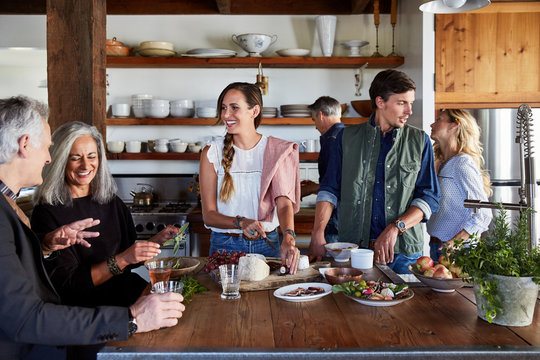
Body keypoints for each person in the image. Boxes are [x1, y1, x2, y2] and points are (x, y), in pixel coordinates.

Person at [0, 96, 184, 360]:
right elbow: (27, 317)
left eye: (91, 156)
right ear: (25, 144)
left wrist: (45, 245)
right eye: (47, 147)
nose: (48, 159)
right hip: (57, 337)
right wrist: (130, 319)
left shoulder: (10, 206)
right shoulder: (23, 212)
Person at [31, 121, 180, 308]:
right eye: (75, 157)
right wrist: (124, 258)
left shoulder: (111, 202)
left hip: (127, 296)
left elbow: (128, 260)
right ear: (60, 160)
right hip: (88, 311)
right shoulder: (46, 213)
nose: (86, 165)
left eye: (91, 156)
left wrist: (155, 242)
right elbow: (70, 285)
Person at [308, 70, 441, 274]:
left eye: (411, 103)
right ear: (380, 102)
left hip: (404, 254)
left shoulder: (419, 141)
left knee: (405, 306)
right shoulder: (345, 139)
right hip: (354, 250)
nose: (409, 111)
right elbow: (329, 190)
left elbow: (429, 197)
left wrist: (396, 228)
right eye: (402, 103)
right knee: (352, 304)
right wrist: (318, 233)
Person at [199, 82, 301, 273]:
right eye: (223, 108)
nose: (226, 115)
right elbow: (209, 215)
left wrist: (288, 235)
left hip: (267, 242)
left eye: (234, 107)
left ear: (254, 111)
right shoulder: (211, 153)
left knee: (267, 302)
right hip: (225, 245)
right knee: (223, 301)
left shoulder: (276, 150)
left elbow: (284, 203)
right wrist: (241, 222)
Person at [427, 109, 492, 262]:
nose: (432, 124)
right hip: (438, 247)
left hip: (456, 252)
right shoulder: (445, 163)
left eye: (439, 119)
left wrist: (457, 241)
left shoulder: (462, 163)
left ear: (454, 125)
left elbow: (484, 213)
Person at [304, 96, 344, 261]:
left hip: (334, 220)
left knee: (324, 267)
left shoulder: (333, 140)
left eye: (314, 120)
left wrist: (311, 189)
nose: (315, 126)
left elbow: (335, 187)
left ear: (321, 115)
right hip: (340, 218)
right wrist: (315, 186)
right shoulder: (345, 136)